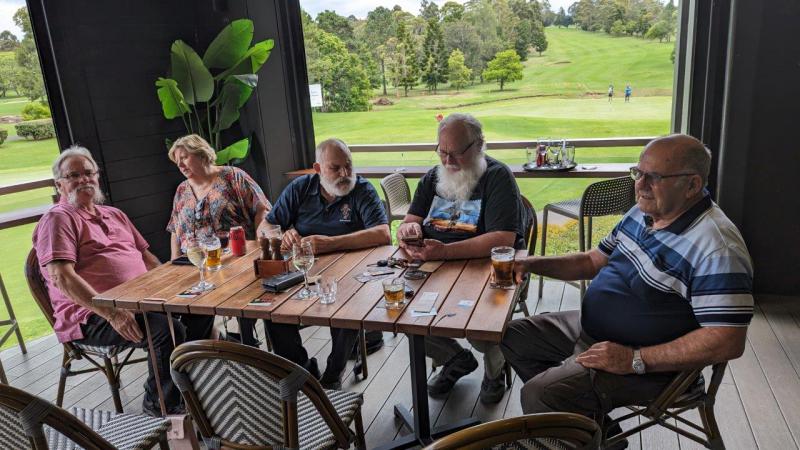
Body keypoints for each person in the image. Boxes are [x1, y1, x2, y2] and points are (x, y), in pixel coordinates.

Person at [501, 134, 753, 444]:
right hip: (594, 332)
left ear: (692, 185)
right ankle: (597, 434)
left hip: (654, 368)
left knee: (541, 395)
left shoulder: (717, 247)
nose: (641, 184)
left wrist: (634, 358)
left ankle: (572, 428)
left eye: (655, 176)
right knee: (513, 337)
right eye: (639, 173)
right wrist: (532, 263)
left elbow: (727, 341)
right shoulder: (644, 212)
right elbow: (592, 260)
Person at [33, 145, 186, 417]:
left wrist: (176, 290)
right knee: (164, 330)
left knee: (197, 313)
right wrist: (111, 313)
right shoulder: (59, 218)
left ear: (97, 177)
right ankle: (160, 405)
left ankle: (186, 388)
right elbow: (62, 276)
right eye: (73, 175)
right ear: (59, 184)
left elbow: (147, 258)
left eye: (88, 173)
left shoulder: (114, 214)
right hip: (92, 314)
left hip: (139, 301)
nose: (82, 180)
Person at [396, 113, 528, 403]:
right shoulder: (432, 177)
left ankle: (494, 371)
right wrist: (408, 230)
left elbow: (502, 239)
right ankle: (455, 358)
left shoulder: (497, 177)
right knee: (400, 313)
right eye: (442, 152)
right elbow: (409, 221)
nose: (448, 161)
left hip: (486, 268)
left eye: (456, 153)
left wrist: (445, 252)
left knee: (480, 326)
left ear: (479, 145)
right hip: (433, 265)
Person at [264, 138, 391, 389]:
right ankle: (301, 371)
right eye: (336, 168)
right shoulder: (299, 189)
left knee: (347, 306)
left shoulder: (362, 190)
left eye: (349, 166)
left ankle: (333, 374)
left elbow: (383, 234)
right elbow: (267, 225)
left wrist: (331, 242)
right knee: (271, 306)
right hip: (304, 271)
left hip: (352, 273)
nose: (345, 174)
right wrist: (282, 235)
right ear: (318, 168)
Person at [166, 134, 270, 343]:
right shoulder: (182, 189)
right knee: (188, 315)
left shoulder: (233, 176)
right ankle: (214, 350)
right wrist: (174, 263)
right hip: (193, 262)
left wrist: (260, 246)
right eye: (177, 161)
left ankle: (245, 347)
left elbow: (262, 209)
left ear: (202, 154)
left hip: (233, 258)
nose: (180, 164)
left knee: (242, 306)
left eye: (184, 157)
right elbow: (176, 229)